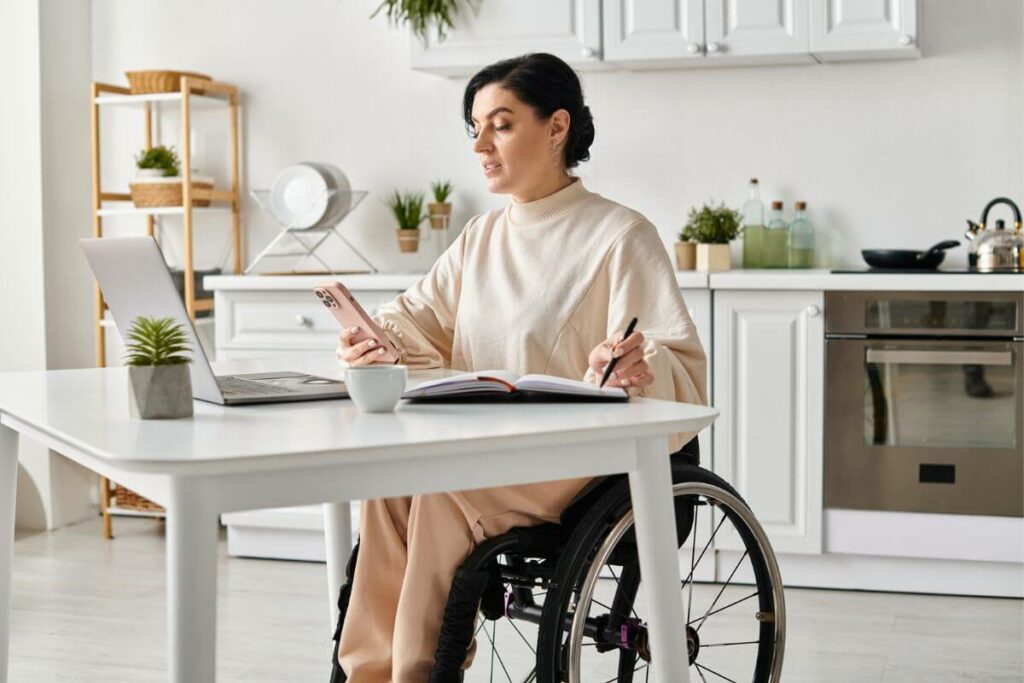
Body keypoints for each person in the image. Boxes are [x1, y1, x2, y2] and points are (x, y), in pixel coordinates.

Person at [334, 52, 707, 682]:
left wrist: (631, 367)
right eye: (474, 128)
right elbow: (416, 320)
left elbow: (676, 359)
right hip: (488, 447)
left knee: (441, 494)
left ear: (556, 127)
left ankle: (415, 675)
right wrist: (370, 340)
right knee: (388, 486)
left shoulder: (621, 235)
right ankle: (369, 673)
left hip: (577, 458)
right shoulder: (481, 236)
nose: (480, 144)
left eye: (501, 125)